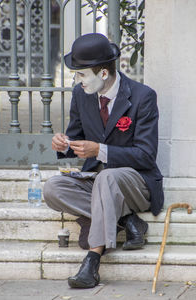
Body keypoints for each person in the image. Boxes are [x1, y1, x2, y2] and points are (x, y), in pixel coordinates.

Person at [43, 33, 164, 289]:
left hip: (134, 182)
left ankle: (92, 261)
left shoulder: (143, 97)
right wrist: (63, 145)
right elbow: (76, 138)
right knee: (53, 189)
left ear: (104, 74)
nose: (77, 80)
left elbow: (145, 155)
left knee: (107, 178)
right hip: (95, 179)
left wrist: (100, 150)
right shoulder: (81, 94)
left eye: (82, 74)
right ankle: (127, 221)